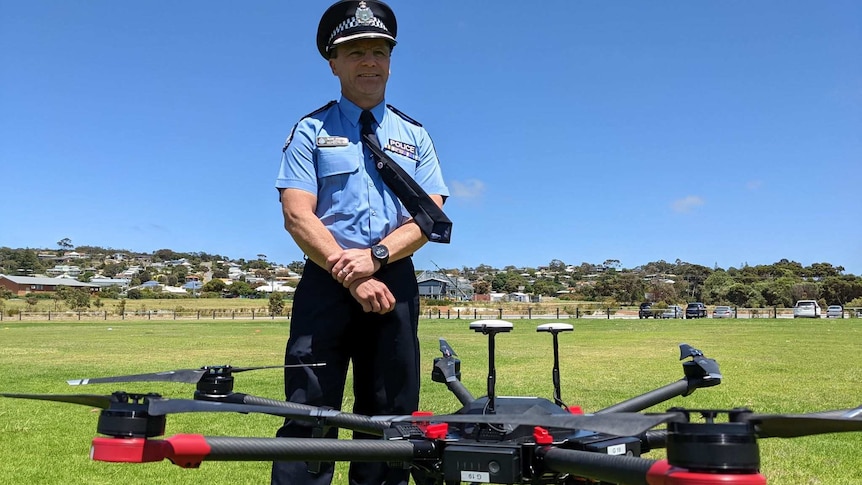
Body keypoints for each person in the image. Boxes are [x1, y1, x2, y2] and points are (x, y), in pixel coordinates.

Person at [271, 1, 449, 484]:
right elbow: (296, 213)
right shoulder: (311, 129)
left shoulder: (415, 134)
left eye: (378, 51)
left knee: (391, 416)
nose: (368, 61)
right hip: (326, 281)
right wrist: (345, 269)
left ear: (390, 61)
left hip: (393, 280)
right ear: (334, 63)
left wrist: (375, 258)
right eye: (355, 52)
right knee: (310, 412)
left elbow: (430, 216)